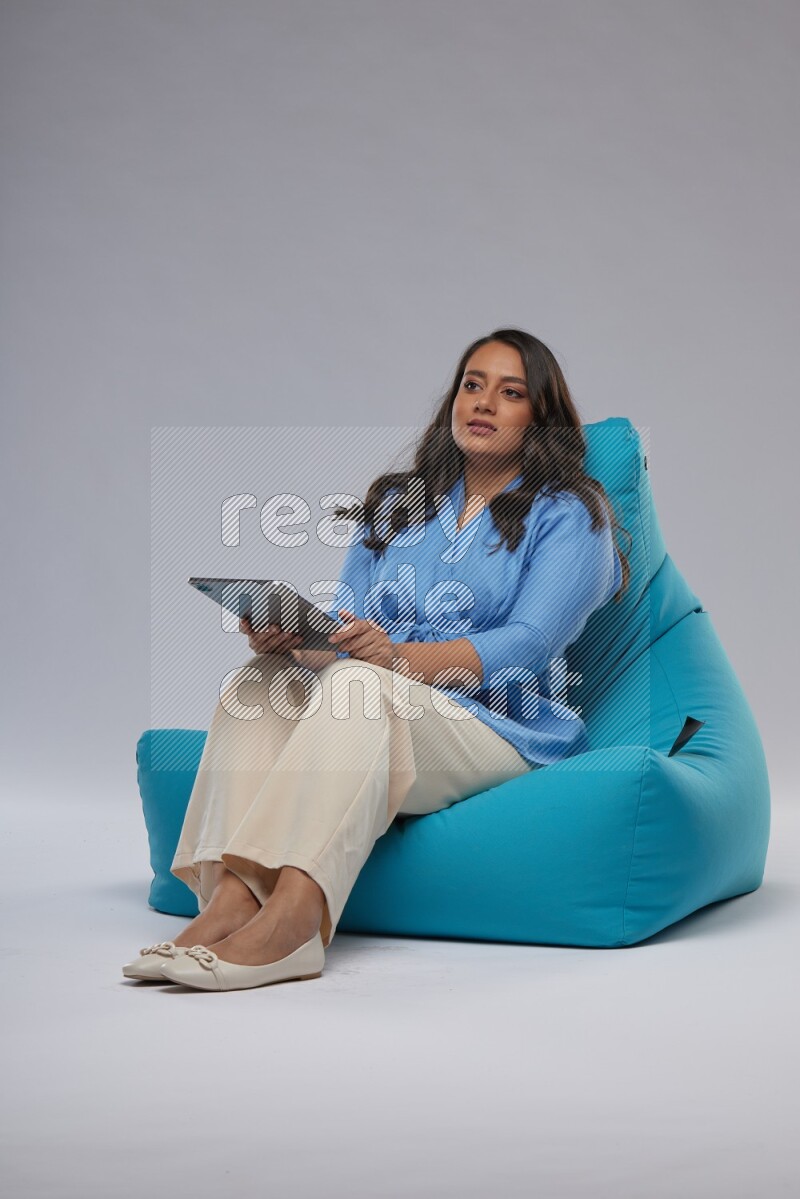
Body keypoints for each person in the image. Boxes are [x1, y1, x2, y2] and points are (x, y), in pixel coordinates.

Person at [122, 328, 631, 991]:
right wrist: (296, 641)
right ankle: (226, 905)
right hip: (378, 708)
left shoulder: (569, 515)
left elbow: (528, 644)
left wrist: (395, 657)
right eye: (471, 385)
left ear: (540, 415)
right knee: (260, 683)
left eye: (510, 393)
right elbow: (350, 637)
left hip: (498, 730)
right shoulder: (397, 505)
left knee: (361, 684)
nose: (483, 402)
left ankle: (295, 923)